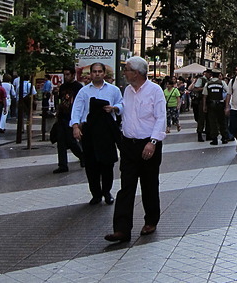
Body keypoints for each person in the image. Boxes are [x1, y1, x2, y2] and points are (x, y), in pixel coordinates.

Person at [103, 56, 166, 243]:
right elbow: (126, 108)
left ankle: (151, 220)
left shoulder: (155, 91)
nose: (124, 72)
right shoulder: (128, 91)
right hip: (129, 144)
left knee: (149, 184)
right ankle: (121, 229)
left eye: (127, 69)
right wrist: (116, 109)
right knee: (126, 187)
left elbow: (161, 118)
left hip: (148, 144)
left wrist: (153, 142)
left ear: (137, 73)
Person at [71, 62, 123, 205]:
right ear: (91, 73)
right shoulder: (84, 91)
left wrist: (114, 108)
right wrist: (75, 126)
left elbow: (122, 104)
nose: (97, 74)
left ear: (104, 73)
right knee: (91, 164)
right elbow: (77, 109)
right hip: (89, 130)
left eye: (100, 71)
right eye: (94, 71)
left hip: (106, 130)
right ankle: (96, 193)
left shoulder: (114, 90)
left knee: (107, 163)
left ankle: (107, 191)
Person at [54, 68, 84, 173]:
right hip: (62, 116)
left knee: (71, 141)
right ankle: (62, 165)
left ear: (73, 75)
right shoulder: (63, 87)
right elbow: (60, 100)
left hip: (72, 117)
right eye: (64, 74)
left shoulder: (78, 87)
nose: (66, 77)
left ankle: (82, 156)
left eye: (67, 74)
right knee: (60, 141)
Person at [203, 69, 229, 145]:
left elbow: (205, 95)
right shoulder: (222, 83)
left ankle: (214, 139)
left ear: (212, 75)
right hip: (220, 104)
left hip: (211, 105)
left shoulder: (208, 83)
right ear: (218, 75)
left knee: (212, 122)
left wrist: (204, 106)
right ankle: (224, 138)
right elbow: (228, 92)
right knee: (222, 121)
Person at [191, 69, 211, 142]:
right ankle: (200, 134)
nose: (210, 75)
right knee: (201, 118)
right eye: (209, 74)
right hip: (201, 100)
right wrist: (205, 88)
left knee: (209, 118)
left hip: (209, 100)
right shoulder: (201, 79)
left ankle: (208, 134)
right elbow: (195, 89)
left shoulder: (210, 80)